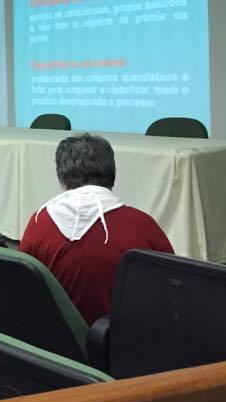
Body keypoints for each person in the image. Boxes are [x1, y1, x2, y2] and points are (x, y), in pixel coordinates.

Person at [20, 133, 174, 325]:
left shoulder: (38, 223)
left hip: (54, 338)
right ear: (112, 173)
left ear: (61, 176)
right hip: (128, 337)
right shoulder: (143, 225)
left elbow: (24, 287)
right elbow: (172, 288)